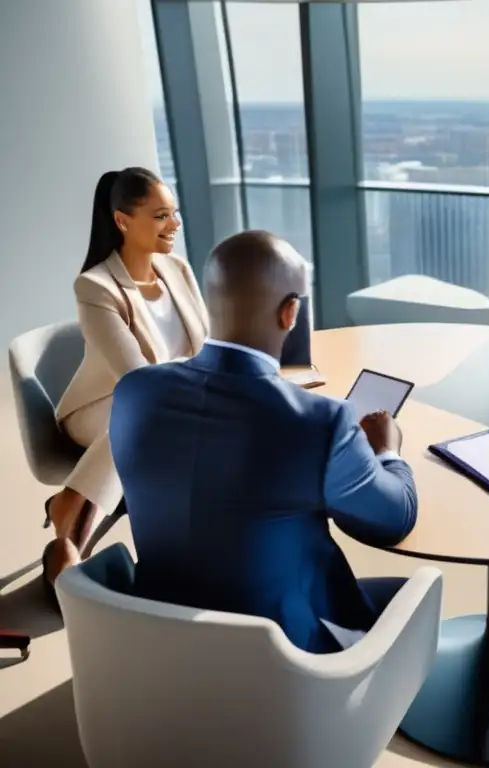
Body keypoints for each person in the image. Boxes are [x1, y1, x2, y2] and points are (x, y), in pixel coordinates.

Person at [108, 230, 417, 653]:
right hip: (280, 661)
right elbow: (392, 519)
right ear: (290, 313)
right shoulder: (320, 422)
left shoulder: (133, 392)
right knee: (411, 595)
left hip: (162, 639)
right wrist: (386, 449)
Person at [44, 168, 208, 602]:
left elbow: (206, 350)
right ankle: (76, 529)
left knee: (153, 422)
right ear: (122, 221)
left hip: (171, 407)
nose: (174, 225)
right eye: (160, 216)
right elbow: (136, 378)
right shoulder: (95, 286)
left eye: (173, 214)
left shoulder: (179, 271)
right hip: (99, 408)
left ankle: (75, 508)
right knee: (136, 414)